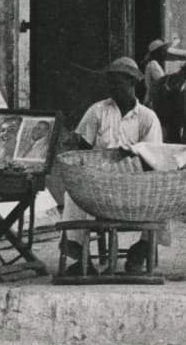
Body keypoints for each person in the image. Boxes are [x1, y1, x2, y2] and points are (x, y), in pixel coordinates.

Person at [60, 57, 164, 273]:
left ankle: (141, 249)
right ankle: (81, 257)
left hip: (133, 185)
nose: (112, 88)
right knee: (72, 195)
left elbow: (153, 157)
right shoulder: (97, 111)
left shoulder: (148, 117)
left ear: (132, 83)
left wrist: (133, 154)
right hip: (99, 184)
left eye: (117, 83)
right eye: (110, 83)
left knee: (162, 197)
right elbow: (83, 150)